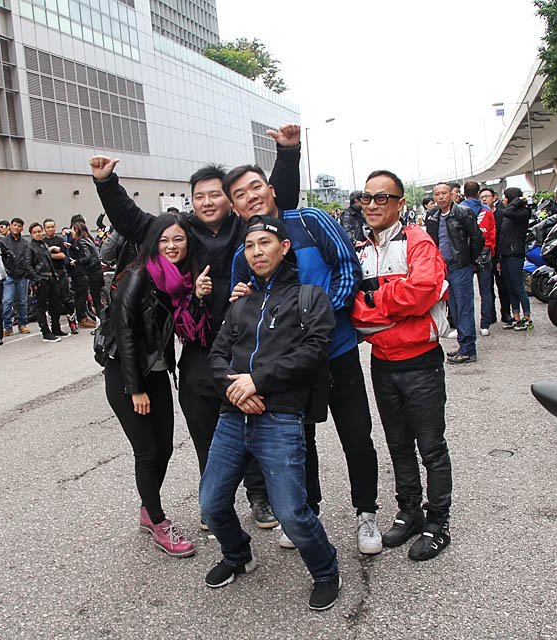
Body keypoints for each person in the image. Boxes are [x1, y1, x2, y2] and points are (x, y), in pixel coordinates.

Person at [90, 124, 302, 532]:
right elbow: (135, 224)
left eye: (216, 194)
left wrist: (288, 153)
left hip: (250, 346)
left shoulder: (247, 226)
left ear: (230, 198)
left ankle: (260, 497)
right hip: (200, 349)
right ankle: (215, 500)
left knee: (256, 422)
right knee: (207, 432)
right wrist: (106, 182)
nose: (207, 202)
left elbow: (281, 199)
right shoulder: (183, 229)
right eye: (199, 196)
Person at [226, 164, 382, 554]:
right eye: (241, 194)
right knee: (300, 442)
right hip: (289, 368)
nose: (251, 196)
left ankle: (366, 513)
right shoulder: (244, 253)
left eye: (256, 187)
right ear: (234, 206)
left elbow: (348, 266)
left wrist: (322, 318)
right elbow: (242, 315)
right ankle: (307, 511)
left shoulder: (311, 221)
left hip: (337, 351)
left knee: (356, 436)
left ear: (272, 189)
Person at [201, 215, 341, 610]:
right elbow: (217, 356)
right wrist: (235, 388)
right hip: (233, 414)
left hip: (279, 417)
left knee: (292, 514)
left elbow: (314, 351)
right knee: (211, 503)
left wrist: (257, 381)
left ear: (284, 248)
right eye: (250, 246)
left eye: (265, 243)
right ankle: (237, 556)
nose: (257, 251)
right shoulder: (241, 303)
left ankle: (327, 569)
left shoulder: (309, 297)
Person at [350, 169, 453, 562]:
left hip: (422, 364)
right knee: (398, 445)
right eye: (367, 197)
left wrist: (377, 304)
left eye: (382, 198)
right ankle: (408, 512)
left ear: (399, 203)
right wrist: (393, 303)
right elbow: (353, 310)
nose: (373, 204)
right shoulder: (361, 250)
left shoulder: (418, 242)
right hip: (382, 364)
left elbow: (424, 291)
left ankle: (438, 522)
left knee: (431, 447)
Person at [106, 214, 209, 558]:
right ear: (153, 243)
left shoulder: (178, 279)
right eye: (164, 240)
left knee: (164, 448)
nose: (171, 246)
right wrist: (135, 389)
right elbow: (124, 336)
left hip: (158, 371)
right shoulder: (137, 276)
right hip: (127, 373)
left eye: (178, 239)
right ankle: (159, 521)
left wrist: (195, 295)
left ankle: (148, 508)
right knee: (148, 451)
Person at [424, 183, 485, 364]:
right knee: (455, 310)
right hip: (444, 269)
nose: (441, 197)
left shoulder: (463, 212)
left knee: (464, 308)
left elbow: (477, 238)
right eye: (437, 194)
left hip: (460, 266)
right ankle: (463, 345)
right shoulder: (433, 216)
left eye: (444, 193)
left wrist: (468, 259)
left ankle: (468, 350)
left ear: (451, 194)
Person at [459, 181, 496, 336]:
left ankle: (466, 326)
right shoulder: (487, 210)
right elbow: (493, 233)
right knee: (486, 290)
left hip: (465, 254)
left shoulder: (459, 210)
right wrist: (491, 252)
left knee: (465, 293)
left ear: (464, 192)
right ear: (478, 193)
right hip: (484, 253)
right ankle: (485, 324)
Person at [497, 187, 533, 331]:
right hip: (505, 254)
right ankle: (516, 317)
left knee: (518, 287)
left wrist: (518, 200)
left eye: (506, 197)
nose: (503, 200)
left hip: (515, 254)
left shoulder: (521, 213)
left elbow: (508, 211)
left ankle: (527, 318)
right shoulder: (509, 214)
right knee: (510, 287)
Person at [24, 221, 65, 342]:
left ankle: (56, 328)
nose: (38, 234)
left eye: (39, 231)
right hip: (41, 279)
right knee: (41, 307)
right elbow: (27, 265)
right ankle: (45, 333)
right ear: (31, 234)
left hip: (51, 277)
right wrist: (36, 279)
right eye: (35, 232)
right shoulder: (30, 247)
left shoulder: (44, 244)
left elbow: (49, 262)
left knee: (55, 304)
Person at [480, 187, 512, 326]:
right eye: (482, 197)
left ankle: (506, 313)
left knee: (502, 286)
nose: (485, 199)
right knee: (487, 288)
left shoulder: (502, 214)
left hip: (499, 254)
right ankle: (490, 314)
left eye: (487, 196)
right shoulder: (480, 214)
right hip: (485, 256)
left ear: (494, 197)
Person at [43, 218, 76, 334]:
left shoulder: (60, 240)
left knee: (67, 300)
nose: (51, 229)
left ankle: (72, 324)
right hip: (49, 274)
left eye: (52, 226)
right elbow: (42, 257)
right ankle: (55, 328)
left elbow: (63, 256)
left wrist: (48, 254)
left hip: (61, 272)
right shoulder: (43, 242)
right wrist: (51, 251)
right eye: (48, 227)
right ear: (44, 229)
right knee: (53, 302)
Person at [68, 221, 105, 326]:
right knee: (97, 300)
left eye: (73, 230)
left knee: (96, 301)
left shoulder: (81, 241)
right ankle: (102, 323)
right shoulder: (88, 239)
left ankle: (101, 325)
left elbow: (87, 257)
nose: (72, 232)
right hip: (98, 272)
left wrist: (77, 262)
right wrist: (71, 247)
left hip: (93, 273)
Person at [1, 217, 30, 335]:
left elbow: (27, 259)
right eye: (15, 225)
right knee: (7, 302)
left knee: (22, 301)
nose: (17, 228)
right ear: (10, 226)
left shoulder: (25, 243)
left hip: (22, 276)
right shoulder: (3, 242)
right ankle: (7, 326)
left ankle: (22, 324)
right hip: (9, 276)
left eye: (19, 226)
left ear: (22, 228)